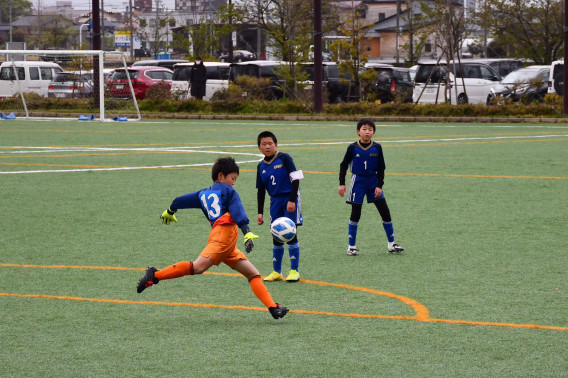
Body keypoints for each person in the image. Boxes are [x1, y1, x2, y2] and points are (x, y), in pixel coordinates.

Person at [136, 156, 288, 320]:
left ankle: (273, 307)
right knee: (198, 267)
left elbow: (181, 200)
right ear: (221, 176)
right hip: (223, 236)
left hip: (226, 241)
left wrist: (171, 210)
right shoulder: (229, 191)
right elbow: (237, 211)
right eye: (232, 178)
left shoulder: (203, 193)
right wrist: (247, 232)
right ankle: (155, 275)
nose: (234, 182)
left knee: (253, 274)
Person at [338, 118, 404, 256]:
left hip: (373, 182)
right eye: (364, 129)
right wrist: (342, 184)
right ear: (358, 131)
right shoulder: (352, 147)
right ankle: (351, 247)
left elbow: (381, 168)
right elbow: (343, 165)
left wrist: (379, 186)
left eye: (370, 130)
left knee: (385, 211)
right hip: (358, 182)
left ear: (373, 132)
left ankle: (391, 244)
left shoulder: (377, 147)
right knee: (356, 213)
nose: (367, 132)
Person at [256, 131, 303, 282]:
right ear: (259, 148)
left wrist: (291, 200)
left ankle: (294, 271)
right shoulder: (261, 166)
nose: (267, 146)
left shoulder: (284, 158)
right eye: (264, 144)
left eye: (270, 143)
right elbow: (261, 190)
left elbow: (296, 179)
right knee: (276, 234)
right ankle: (277, 272)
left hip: (290, 198)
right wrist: (260, 212)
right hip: (274, 201)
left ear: (276, 145)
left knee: (290, 233)